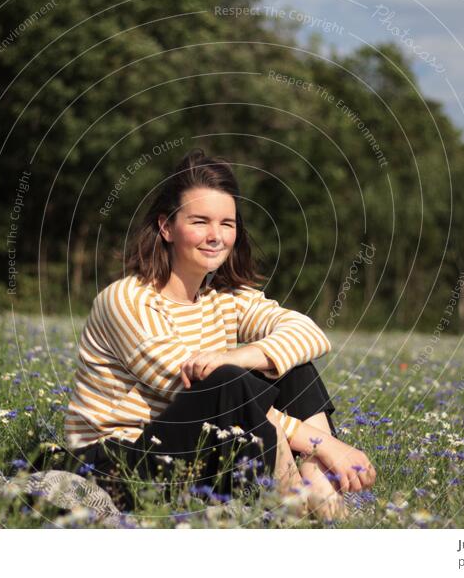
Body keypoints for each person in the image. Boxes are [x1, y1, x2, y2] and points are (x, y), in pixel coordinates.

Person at [54, 148, 376, 520]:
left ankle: (316, 483)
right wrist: (324, 443)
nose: (216, 236)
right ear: (166, 227)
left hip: (191, 451)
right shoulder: (127, 300)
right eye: (200, 221)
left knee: (289, 365)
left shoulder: (224, 298)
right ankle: (297, 505)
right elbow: (194, 384)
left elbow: (309, 334)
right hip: (118, 464)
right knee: (225, 381)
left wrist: (239, 355)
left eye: (227, 223)